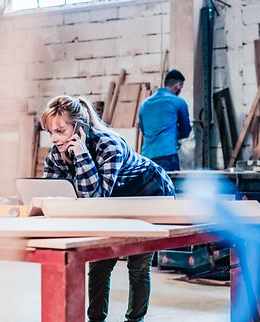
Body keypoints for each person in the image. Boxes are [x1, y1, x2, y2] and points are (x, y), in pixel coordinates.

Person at [41, 95, 175, 322]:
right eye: (50, 132)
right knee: (99, 263)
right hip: (115, 198)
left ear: (80, 128)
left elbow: (96, 199)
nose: (54, 139)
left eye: (61, 131)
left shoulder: (109, 145)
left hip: (149, 193)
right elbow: (51, 193)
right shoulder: (58, 152)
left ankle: (134, 320)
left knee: (138, 265)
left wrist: (82, 155)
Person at [138, 69, 192, 171]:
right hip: (167, 157)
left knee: (149, 187)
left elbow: (144, 130)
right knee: (169, 186)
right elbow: (185, 131)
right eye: (181, 86)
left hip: (146, 157)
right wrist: (174, 134)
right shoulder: (178, 102)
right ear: (177, 86)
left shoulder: (144, 104)